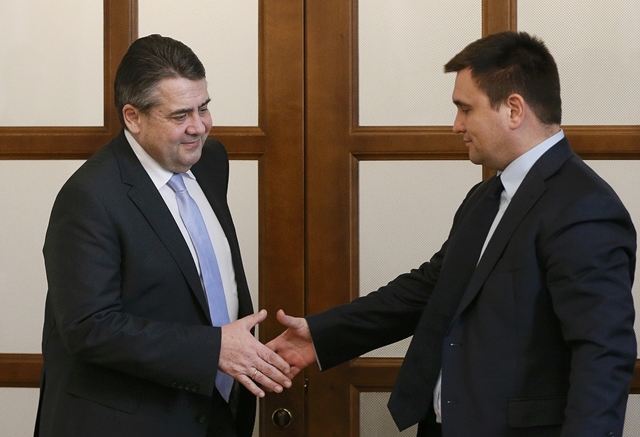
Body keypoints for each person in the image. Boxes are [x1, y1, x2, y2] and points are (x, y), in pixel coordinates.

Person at [267, 31, 637, 436]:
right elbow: (430, 288)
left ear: (514, 109)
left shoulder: (583, 208)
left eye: (465, 109)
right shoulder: (486, 196)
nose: (456, 125)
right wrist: (320, 336)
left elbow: (603, 354)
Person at [34, 34, 291, 437]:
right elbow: (88, 327)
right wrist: (213, 350)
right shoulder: (88, 197)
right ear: (133, 117)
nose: (199, 127)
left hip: (215, 412)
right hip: (129, 423)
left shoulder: (210, 162)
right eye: (179, 115)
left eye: (203, 108)